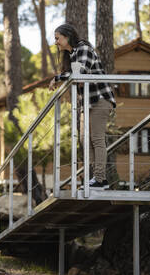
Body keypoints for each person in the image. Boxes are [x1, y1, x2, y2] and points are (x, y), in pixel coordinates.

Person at [49, 23, 116, 189]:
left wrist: (58, 78)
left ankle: (100, 179)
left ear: (67, 37)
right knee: (86, 140)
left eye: (58, 38)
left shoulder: (83, 48)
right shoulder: (73, 54)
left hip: (100, 99)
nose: (56, 42)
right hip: (88, 102)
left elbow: (82, 72)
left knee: (97, 139)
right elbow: (77, 77)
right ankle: (97, 179)